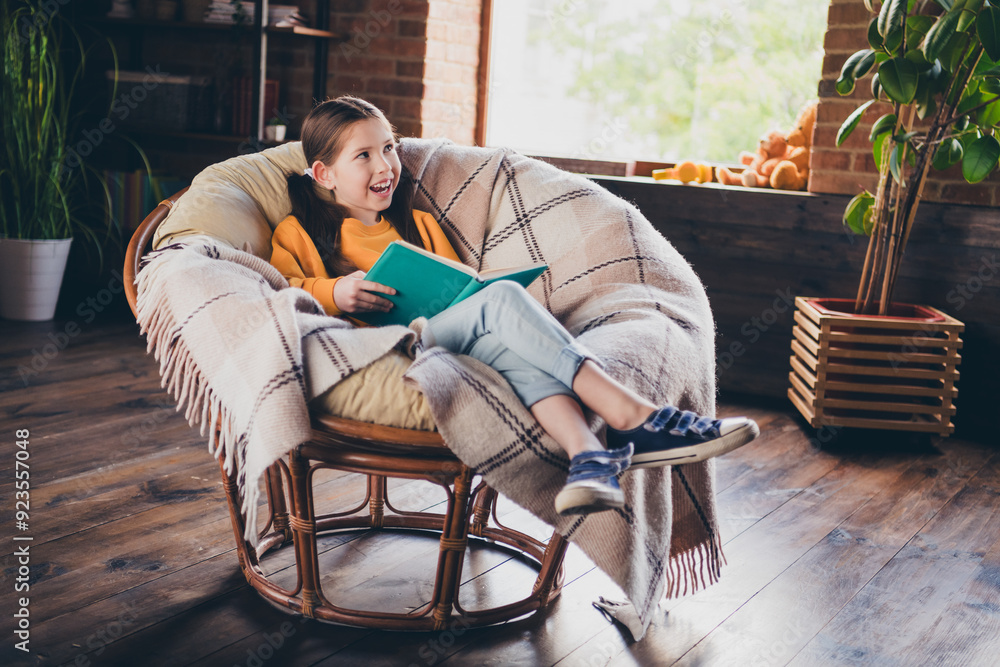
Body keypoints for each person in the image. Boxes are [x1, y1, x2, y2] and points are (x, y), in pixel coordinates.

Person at [270, 96, 760, 516]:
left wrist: (477, 293)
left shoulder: (417, 224)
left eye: (389, 148)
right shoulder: (299, 231)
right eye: (364, 156)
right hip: (389, 345)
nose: (385, 166)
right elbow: (280, 289)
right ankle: (636, 418)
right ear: (323, 173)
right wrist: (335, 292)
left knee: (510, 341)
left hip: (444, 335)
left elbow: (457, 286)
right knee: (502, 300)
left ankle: (590, 457)